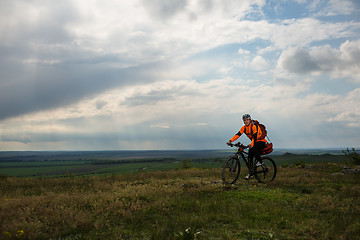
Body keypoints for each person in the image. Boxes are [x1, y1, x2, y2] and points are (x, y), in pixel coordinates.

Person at [226, 114, 267, 180]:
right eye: (245, 120)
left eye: (247, 120)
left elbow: (255, 137)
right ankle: (251, 173)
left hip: (261, 141)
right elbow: (237, 135)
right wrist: (230, 141)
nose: (246, 121)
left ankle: (260, 161)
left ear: (250, 120)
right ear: (243, 121)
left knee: (253, 149)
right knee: (249, 156)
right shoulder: (244, 128)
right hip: (254, 142)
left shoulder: (254, 126)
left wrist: (252, 144)